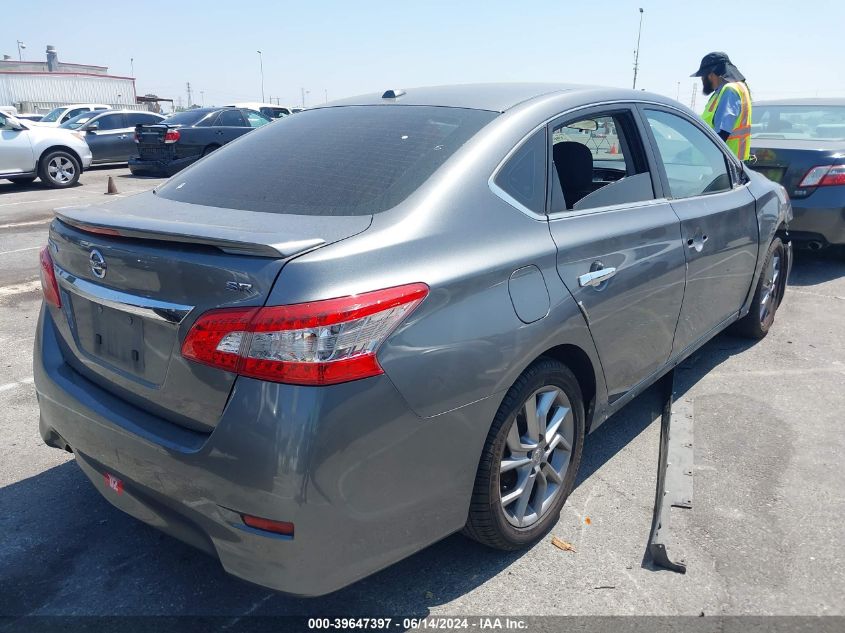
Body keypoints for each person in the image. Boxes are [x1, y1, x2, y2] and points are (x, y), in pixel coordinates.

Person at [691, 52, 752, 160]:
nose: (702, 80)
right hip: (728, 162)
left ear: (711, 75)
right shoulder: (726, 91)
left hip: (724, 163)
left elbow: (722, 133)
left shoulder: (730, 90)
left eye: (702, 76)